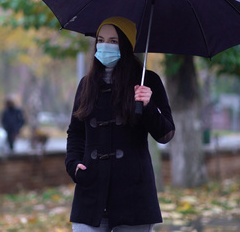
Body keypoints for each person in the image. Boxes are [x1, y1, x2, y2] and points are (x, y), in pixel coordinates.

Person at [65, 16, 176, 231]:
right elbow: (76, 132)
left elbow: (166, 133)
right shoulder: (86, 84)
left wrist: (148, 105)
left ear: (125, 45)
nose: (105, 45)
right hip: (91, 192)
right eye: (101, 39)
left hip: (134, 195)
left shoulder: (148, 80)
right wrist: (73, 166)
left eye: (113, 41)